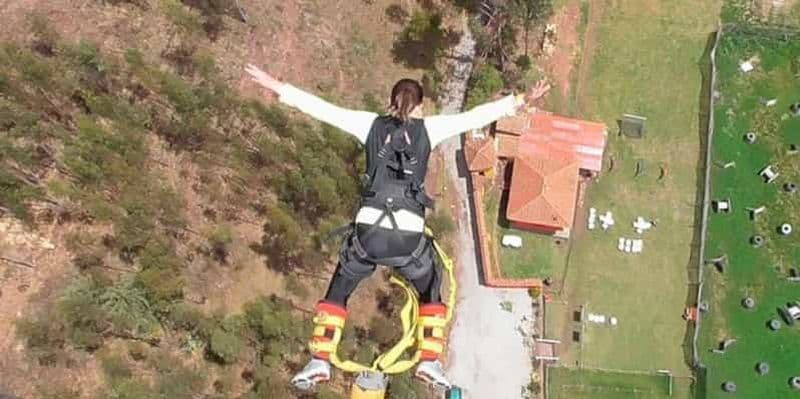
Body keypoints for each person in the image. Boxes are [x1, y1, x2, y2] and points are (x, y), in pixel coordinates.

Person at [245, 63, 549, 390]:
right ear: (420, 106)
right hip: (407, 239)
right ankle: (429, 360)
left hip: (368, 236)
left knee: (339, 289)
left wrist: (277, 86)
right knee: (431, 285)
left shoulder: (368, 124)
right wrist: (521, 99)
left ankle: (320, 357)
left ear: (391, 102)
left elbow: (323, 110)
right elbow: (475, 117)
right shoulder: (429, 129)